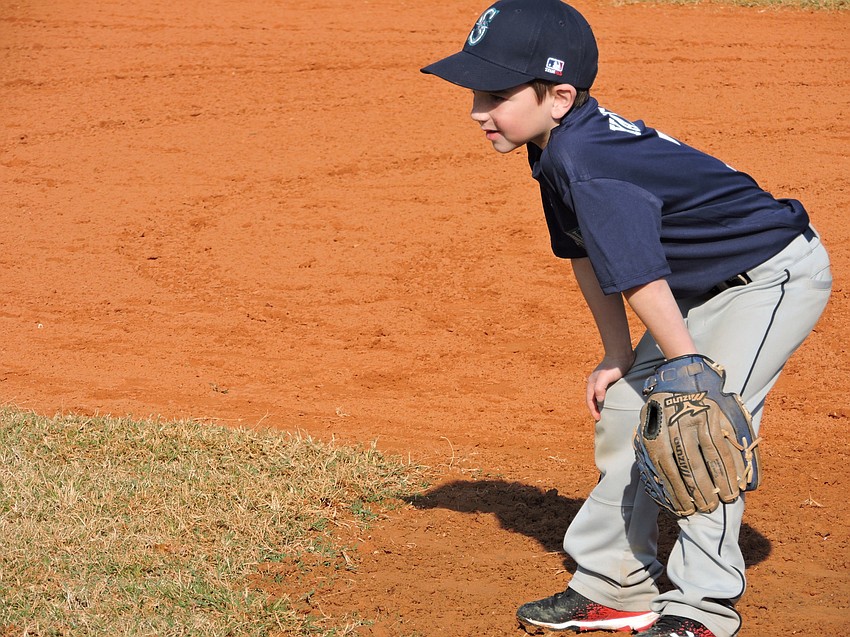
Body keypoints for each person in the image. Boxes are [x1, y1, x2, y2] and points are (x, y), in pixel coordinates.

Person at [420, 1, 832, 636]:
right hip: (697, 284)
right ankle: (616, 586)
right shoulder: (552, 148)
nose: (477, 111)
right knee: (624, 413)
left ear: (558, 95)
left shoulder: (589, 162)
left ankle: (702, 607)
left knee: (694, 427)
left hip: (769, 277)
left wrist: (689, 367)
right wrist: (618, 354)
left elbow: (640, 273)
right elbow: (588, 254)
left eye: (494, 94)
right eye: (477, 92)